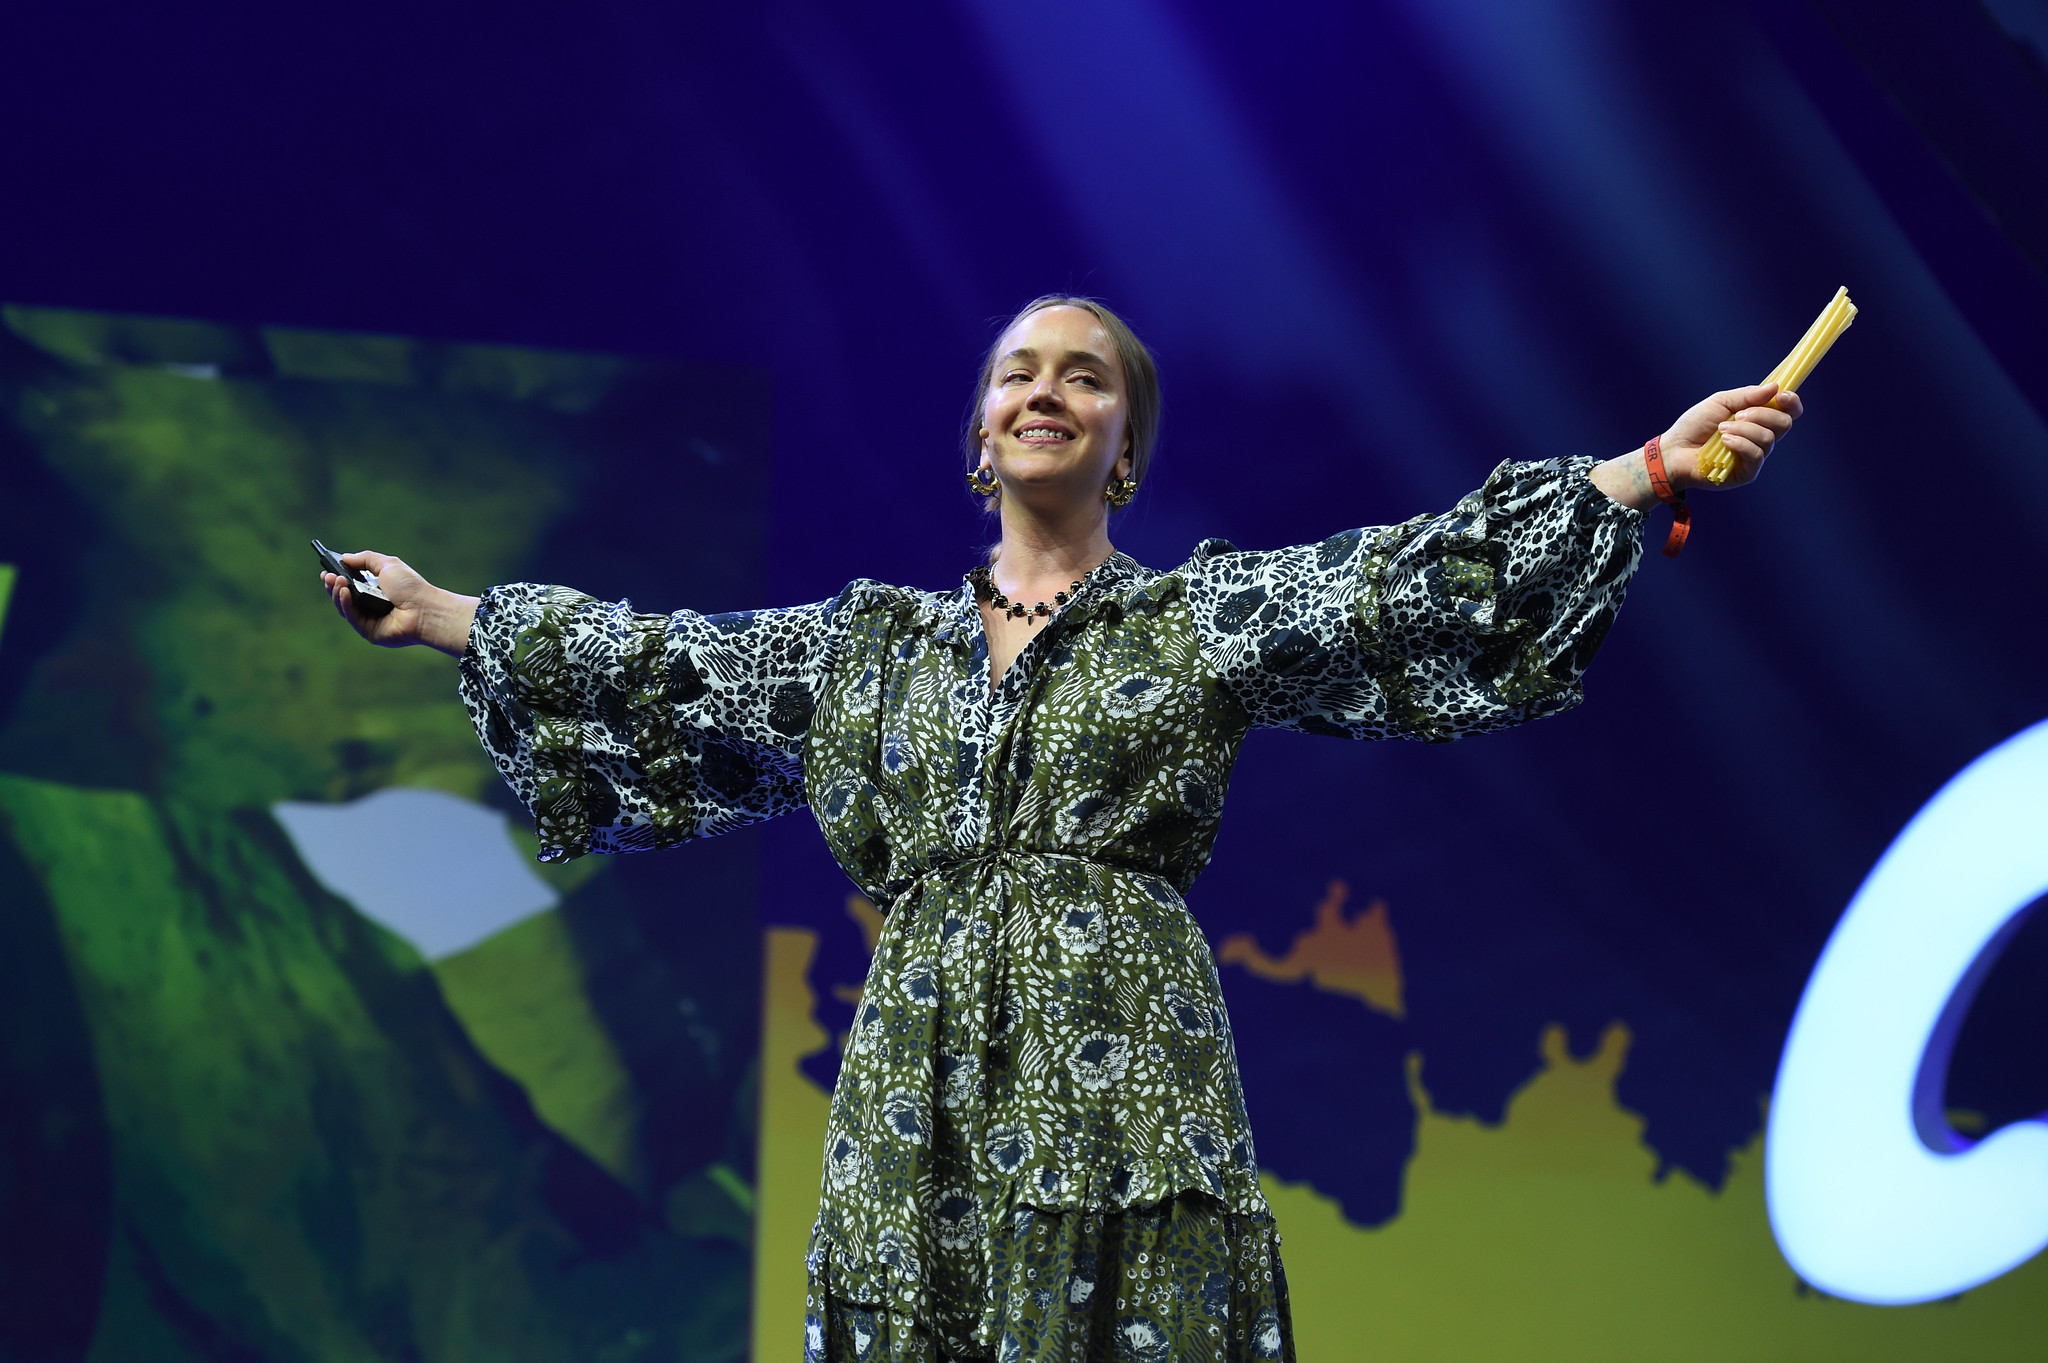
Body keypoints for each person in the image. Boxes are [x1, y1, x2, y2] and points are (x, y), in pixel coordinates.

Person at [322, 295, 1799, 1362]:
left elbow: (1392, 585)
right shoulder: (866, 650)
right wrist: (450, 615)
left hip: (1124, 1067)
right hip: (921, 1077)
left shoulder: (1191, 621)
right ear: (978, 431)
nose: (1045, 390)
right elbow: (667, 665)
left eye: (1083, 377)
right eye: (1017, 372)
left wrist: (1646, 470)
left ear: (1124, 445)